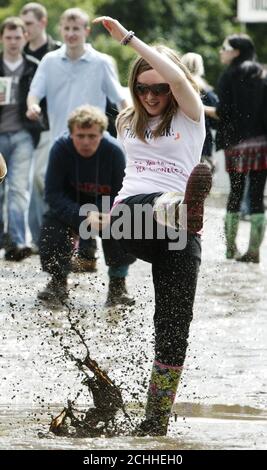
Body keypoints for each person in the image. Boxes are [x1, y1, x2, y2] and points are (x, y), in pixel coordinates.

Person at [93, 16, 212, 436]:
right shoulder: (127, 120)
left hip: (181, 234)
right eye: (142, 88)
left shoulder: (189, 117)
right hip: (131, 218)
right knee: (132, 210)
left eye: (159, 88)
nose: (151, 95)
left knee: (174, 328)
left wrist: (129, 39)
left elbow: (180, 81)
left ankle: (154, 422)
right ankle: (181, 206)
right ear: (133, 89)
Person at [26, 7, 127, 267]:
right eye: (67, 29)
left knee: (100, 194)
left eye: (76, 29)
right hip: (61, 141)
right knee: (54, 189)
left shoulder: (102, 62)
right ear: (60, 30)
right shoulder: (49, 61)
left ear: (86, 31)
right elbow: (35, 91)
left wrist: (129, 116)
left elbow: (119, 97)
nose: (71, 34)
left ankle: (100, 260)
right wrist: (33, 105)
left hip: (95, 141)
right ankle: (72, 250)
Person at [37, 104, 135, 307]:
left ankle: (118, 284)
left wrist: (104, 213)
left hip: (104, 206)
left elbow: (123, 193)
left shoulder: (115, 152)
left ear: (102, 134)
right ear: (71, 134)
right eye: (80, 136)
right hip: (71, 205)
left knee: (123, 221)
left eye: (92, 136)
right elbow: (52, 194)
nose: (86, 142)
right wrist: (82, 216)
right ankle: (58, 282)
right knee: (51, 226)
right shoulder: (60, 148)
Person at [214, 34, 267, 263]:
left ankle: (229, 249)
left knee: (235, 194)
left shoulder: (228, 77)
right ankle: (254, 252)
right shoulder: (263, 75)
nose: (221, 51)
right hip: (262, 145)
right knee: (257, 196)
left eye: (224, 47)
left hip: (235, 145)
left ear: (236, 51)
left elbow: (222, 112)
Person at [0, 17, 42, 261]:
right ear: (2, 38)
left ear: (25, 37)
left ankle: (18, 241)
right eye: (9, 37)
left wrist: (35, 111)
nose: (13, 42)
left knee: (19, 188)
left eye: (18, 37)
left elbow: (42, 97)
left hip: (23, 134)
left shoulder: (34, 66)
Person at [20, 2, 61, 251]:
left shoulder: (57, 52)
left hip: (50, 126)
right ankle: (38, 238)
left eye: (29, 24)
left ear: (43, 23)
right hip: (21, 127)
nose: (25, 29)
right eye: (22, 24)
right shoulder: (16, 54)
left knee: (42, 180)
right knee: (29, 184)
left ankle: (54, 234)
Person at [181, 52, 218, 174]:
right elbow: (218, 113)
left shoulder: (176, 85)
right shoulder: (204, 88)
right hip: (201, 136)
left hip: (180, 134)